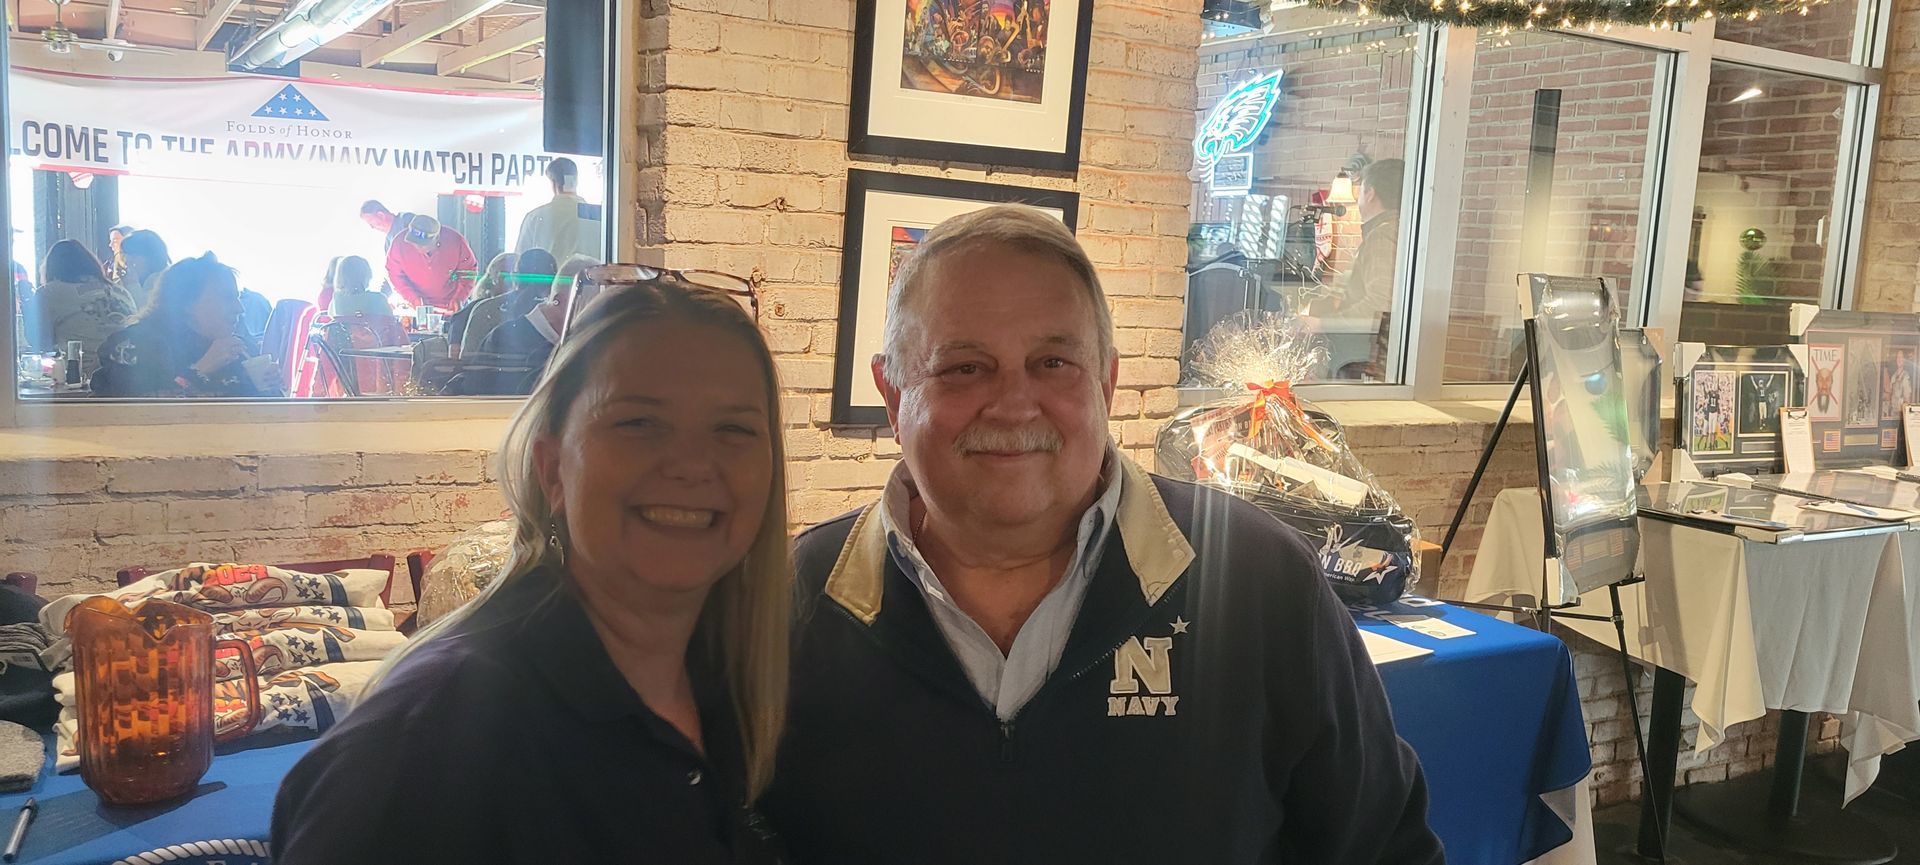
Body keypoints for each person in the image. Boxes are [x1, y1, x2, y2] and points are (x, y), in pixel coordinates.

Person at [767, 206, 1443, 863]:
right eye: (963, 367)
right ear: (893, 393)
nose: (1012, 403)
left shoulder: (1259, 582)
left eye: (1053, 362)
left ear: (1107, 382)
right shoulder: (794, 602)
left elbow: (1385, 847)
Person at [272, 274, 791, 863]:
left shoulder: (738, 684)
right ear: (552, 470)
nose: (694, 464)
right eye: (638, 422)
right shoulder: (431, 736)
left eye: (734, 429)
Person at [91, 253, 276, 398]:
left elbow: (270, 423)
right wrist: (200, 370)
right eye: (227, 298)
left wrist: (271, 389)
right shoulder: (137, 346)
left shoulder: (240, 349)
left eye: (237, 298)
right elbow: (132, 418)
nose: (240, 308)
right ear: (186, 303)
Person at [22, 239, 135, 377]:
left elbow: (39, 342)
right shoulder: (120, 291)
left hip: (85, 376)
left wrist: (27, 306)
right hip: (131, 371)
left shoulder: (50, 292)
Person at [458, 248, 556, 361]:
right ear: (555, 281)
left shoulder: (485, 310)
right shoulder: (563, 315)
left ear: (514, 277)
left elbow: (467, 362)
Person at [1336, 157, 1403, 320]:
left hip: (1361, 342)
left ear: (1370, 194)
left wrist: (1323, 324)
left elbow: (1379, 304)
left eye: (1360, 190)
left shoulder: (1381, 236)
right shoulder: (1397, 229)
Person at [516, 157, 604, 263]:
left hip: (550, 279)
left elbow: (520, 260)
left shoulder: (535, 217)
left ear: (553, 183)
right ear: (576, 180)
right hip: (591, 279)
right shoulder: (598, 216)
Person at [386, 215, 478, 313]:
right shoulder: (399, 243)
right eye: (414, 242)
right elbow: (394, 274)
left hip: (451, 307)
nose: (418, 246)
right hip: (415, 307)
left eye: (423, 244)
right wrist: (412, 297)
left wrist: (459, 298)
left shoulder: (456, 241)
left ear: (437, 238)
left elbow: (468, 272)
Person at [444, 251, 518, 351]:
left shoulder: (532, 311)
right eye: (506, 276)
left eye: (517, 274)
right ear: (493, 279)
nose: (513, 281)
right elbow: (456, 356)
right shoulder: (475, 310)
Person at [328, 256, 396, 323]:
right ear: (366, 275)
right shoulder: (378, 298)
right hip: (374, 334)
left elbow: (331, 316)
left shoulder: (336, 299)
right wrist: (384, 295)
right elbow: (390, 322)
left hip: (345, 334)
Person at [117, 229, 170, 310]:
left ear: (151, 257)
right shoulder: (123, 281)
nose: (127, 262)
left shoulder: (166, 281)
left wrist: (132, 284)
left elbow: (146, 312)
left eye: (134, 256)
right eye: (124, 256)